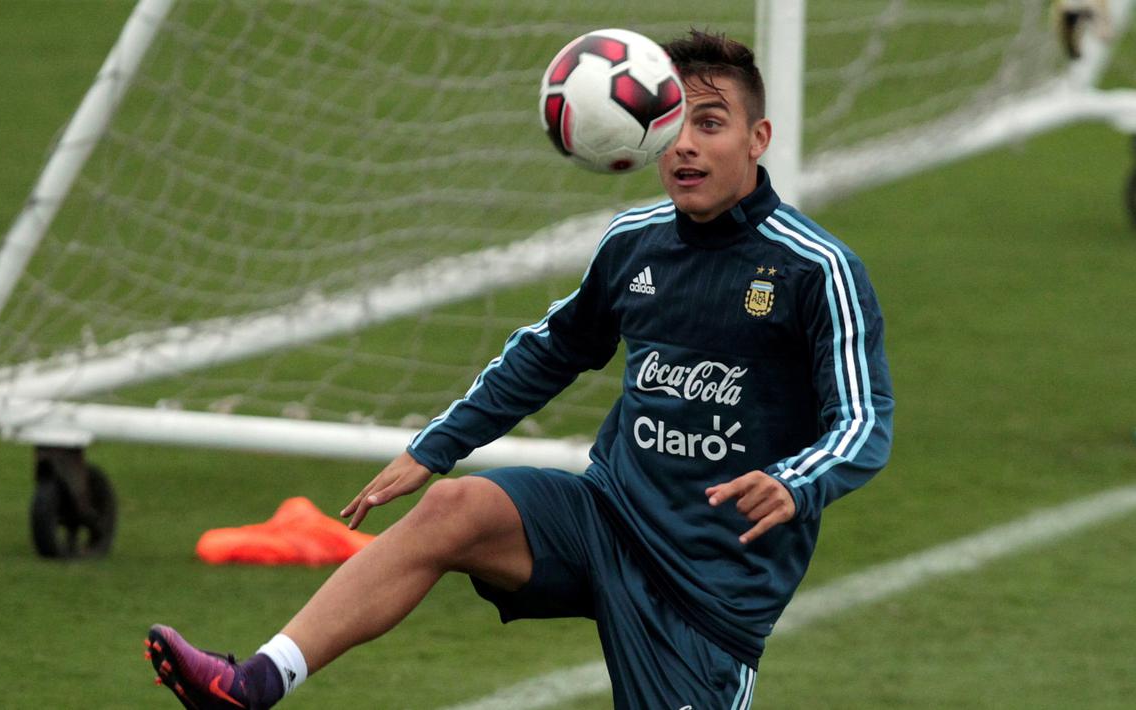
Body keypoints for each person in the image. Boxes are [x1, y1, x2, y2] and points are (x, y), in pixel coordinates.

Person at [144, 29, 894, 709]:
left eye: (711, 123)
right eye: (674, 125)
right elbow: (554, 347)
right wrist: (432, 448)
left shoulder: (814, 269)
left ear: (757, 137)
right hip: (607, 518)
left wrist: (795, 481)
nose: (686, 147)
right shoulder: (633, 243)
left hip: (706, 586)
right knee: (452, 509)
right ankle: (250, 685)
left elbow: (862, 422)